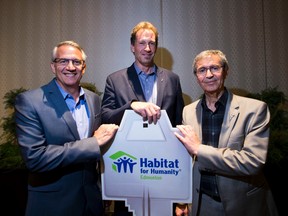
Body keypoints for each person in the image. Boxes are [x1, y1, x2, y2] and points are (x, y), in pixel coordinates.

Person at [14, 40, 119, 216]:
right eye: (63, 61)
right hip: (52, 205)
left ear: (83, 67)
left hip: (91, 203)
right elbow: (35, 158)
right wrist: (92, 143)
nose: (70, 67)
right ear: (53, 66)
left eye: (76, 62)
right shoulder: (30, 101)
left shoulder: (94, 99)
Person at [174, 50, 279, 216]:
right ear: (196, 76)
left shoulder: (255, 109)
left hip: (242, 204)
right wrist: (182, 200)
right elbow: (186, 162)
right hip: (201, 203)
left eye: (214, 68)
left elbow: (252, 162)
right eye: (202, 70)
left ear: (225, 71)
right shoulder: (188, 111)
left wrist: (199, 149)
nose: (209, 75)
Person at [101, 21, 184, 215]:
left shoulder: (172, 79)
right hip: (128, 169)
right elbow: (105, 117)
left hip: (164, 168)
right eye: (142, 43)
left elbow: (179, 124)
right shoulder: (115, 79)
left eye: (152, 43)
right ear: (132, 46)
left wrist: (182, 193)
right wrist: (130, 106)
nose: (147, 48)